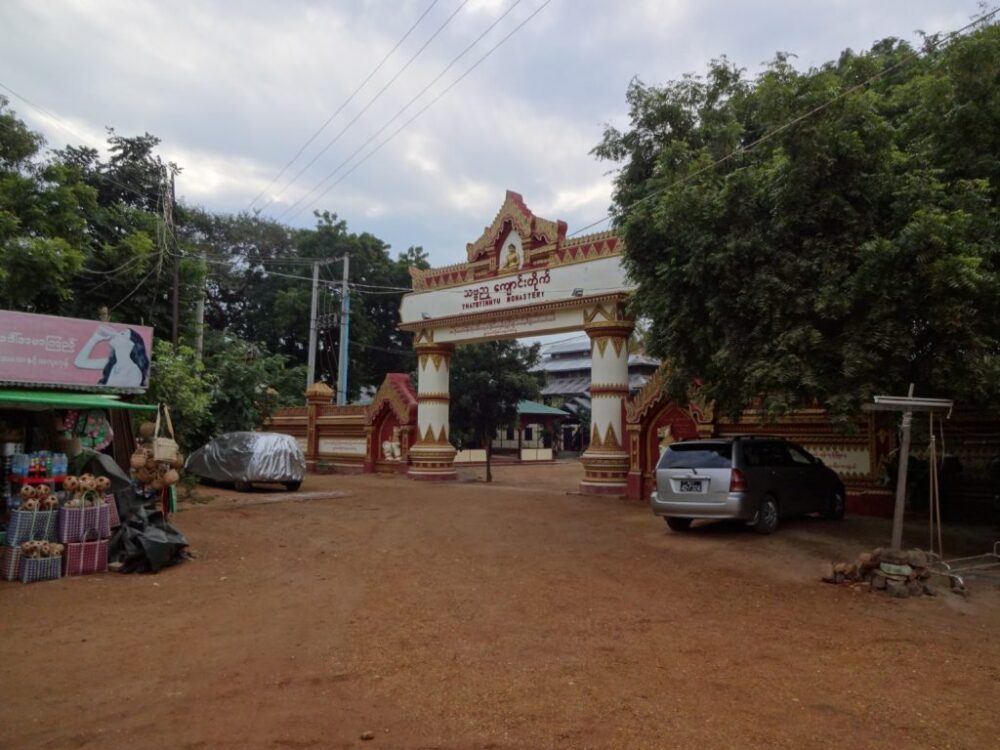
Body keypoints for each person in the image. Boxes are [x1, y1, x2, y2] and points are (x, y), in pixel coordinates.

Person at [74, 325, 149, 388]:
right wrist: (95, 339)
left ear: (131, 344)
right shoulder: (112, 363)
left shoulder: (134, 370)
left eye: (122, 334)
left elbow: (129, 393)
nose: (116, 334)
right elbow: (80, 362)